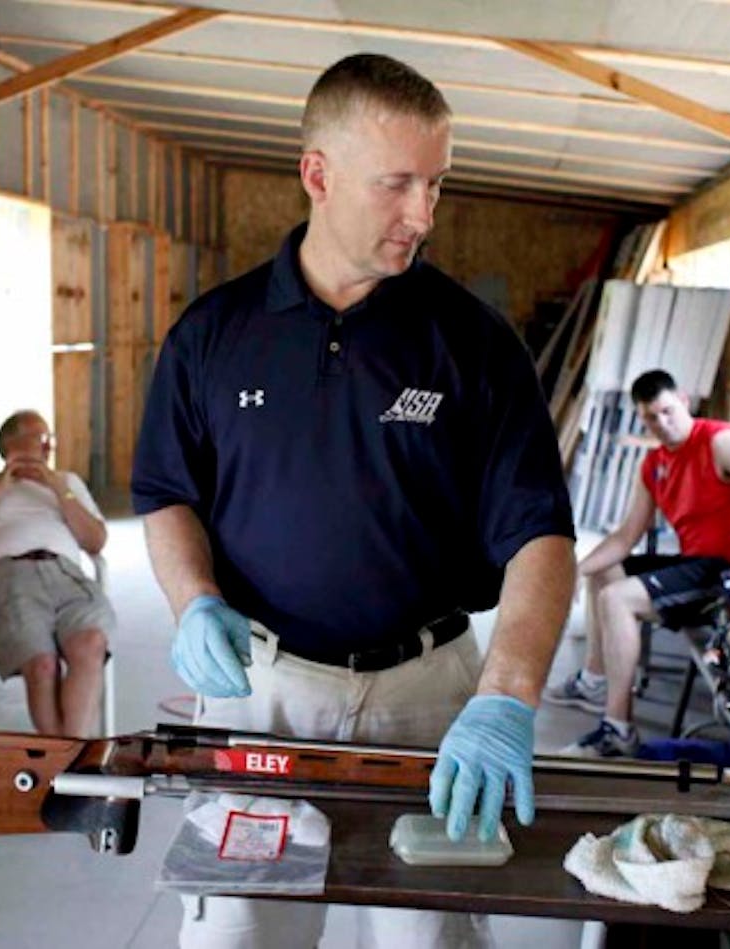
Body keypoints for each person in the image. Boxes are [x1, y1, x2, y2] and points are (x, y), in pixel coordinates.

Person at [132, 53, 576, 949]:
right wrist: (194, 603)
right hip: (263, 695)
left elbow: (541, 537)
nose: (423, 215)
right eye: (397, 183)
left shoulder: (473, 344)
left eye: (437, 184)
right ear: (318, 174)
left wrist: (509, 696)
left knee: (431, 939)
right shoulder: (214, 336)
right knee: (239, 933)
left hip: (428, 699)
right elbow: (167, 492)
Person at [546, 369, 730, 758]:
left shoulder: (720, 442)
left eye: (668, 411)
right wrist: (572, 570)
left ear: (683, 401)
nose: (662, 423)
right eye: (651, 417)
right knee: (602, 571)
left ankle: (618, 729)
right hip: (694, 563)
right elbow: (625, 537)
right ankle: (595, 680)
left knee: (617, 598)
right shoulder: (654, 464)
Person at [0, 410, 114, 738]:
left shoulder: (68, 484)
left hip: (65, 576)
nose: (48, 447)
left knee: (90, 642)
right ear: (11, 442)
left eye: (50, 440)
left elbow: (96, 541)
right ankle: (69, 763)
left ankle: (68, 759)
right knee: (42, 663)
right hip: (5, 579)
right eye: (41, 438)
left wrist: (59, 490)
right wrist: (1, 487)